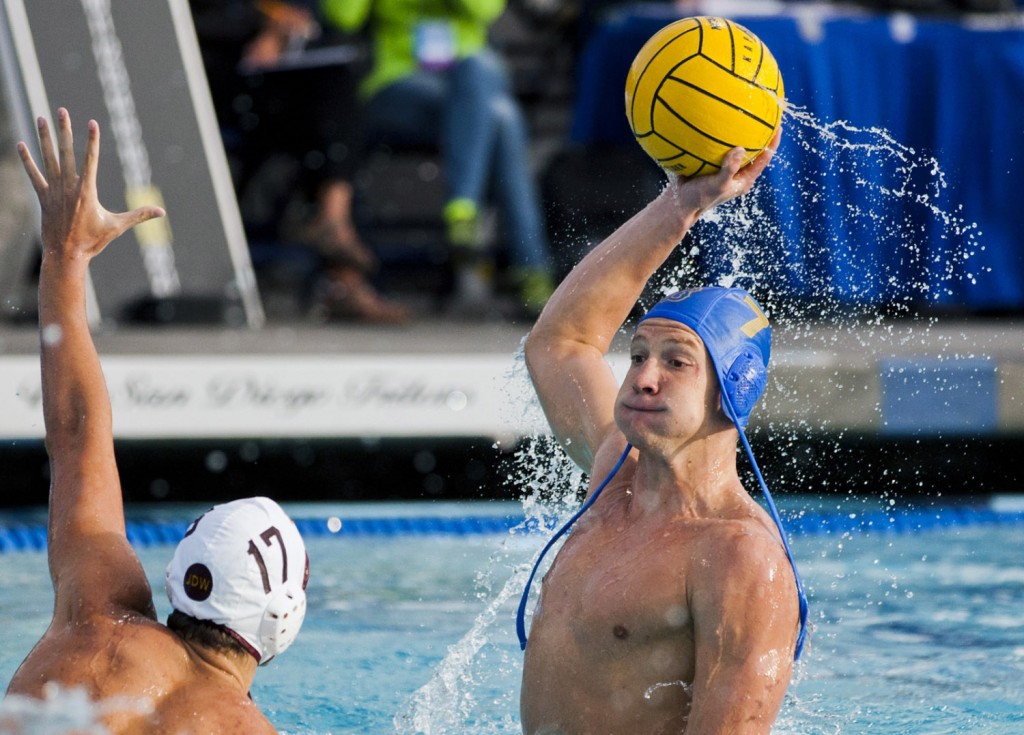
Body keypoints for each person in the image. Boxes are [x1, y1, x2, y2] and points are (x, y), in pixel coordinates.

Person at [5, 109, 309, 733]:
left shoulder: (95, 607)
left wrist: (65, 255)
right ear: (283, 618)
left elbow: (76, 433)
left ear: (179, 575)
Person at [515, 135, 808, 734]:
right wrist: (680, 207)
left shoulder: (740, 558)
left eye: (676, 363)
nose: (644, 378)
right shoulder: (613, 475)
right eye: (639, 354)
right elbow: (560, 341)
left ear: (732, 390)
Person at [320, 0, 556, 318]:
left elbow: (485, 10)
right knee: (503, 118)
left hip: (472, 85)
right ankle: (532, 273)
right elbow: (342, 17)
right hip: (400, 84)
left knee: (482, 79)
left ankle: (462, 210)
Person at [190, 0, 410, 323]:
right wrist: (265, 24)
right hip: (215, 73)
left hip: (283, 76)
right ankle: (340, 261)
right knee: (331, 119)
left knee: (336, 89)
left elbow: (328, 16)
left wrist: (295, 23)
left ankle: (335, 229)